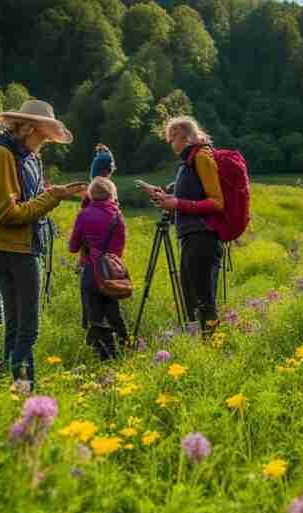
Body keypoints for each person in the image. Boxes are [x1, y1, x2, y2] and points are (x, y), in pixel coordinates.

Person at [0, 100, 87, 386]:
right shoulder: (1, 155)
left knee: (15, 326)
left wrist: (53, 192)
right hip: (13, 251)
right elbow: (6, 213)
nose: (45, 143)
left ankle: (12, 387)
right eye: (43, 136)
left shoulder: (24, 155)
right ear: (29, 128)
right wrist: (54, 197)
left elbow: (28, 199)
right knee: (28, 330)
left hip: (17, 248)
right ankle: (25, 389)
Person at [141, 116, 224, 336]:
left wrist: (177, 202)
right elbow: (188, 203)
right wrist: (166, 200)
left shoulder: (202, 157)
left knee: (203, 301)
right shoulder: (188, 162)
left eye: (172, 137)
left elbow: (216, 202)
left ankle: (213, 347)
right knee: (192, 300)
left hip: (203, 237)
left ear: (185, 136)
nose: (170, 142)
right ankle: (201, 345)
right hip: (191, 236)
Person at [68, 176, 128, 360]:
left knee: (94, 315)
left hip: (91, 271)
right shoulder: (118, 216)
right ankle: (124, 346)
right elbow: (119, 249)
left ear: (91, 195)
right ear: (111, 193)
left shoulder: (84, 215)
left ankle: (102, 354)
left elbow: (73, 247)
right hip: (111, 273)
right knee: (113, 311)